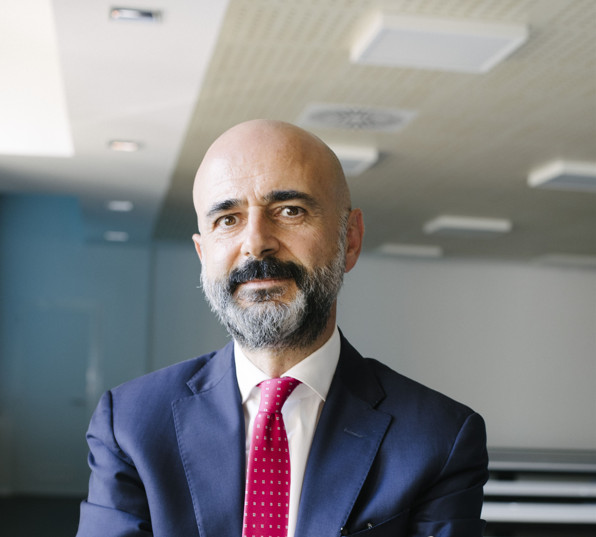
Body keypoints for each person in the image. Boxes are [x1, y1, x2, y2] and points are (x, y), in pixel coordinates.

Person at [76, 120, 488, 537]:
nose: (256, 243)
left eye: (290, 211)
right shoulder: (129, 425)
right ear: (203, 254)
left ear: (350, 240)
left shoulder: (439, 437)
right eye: (227, 219)